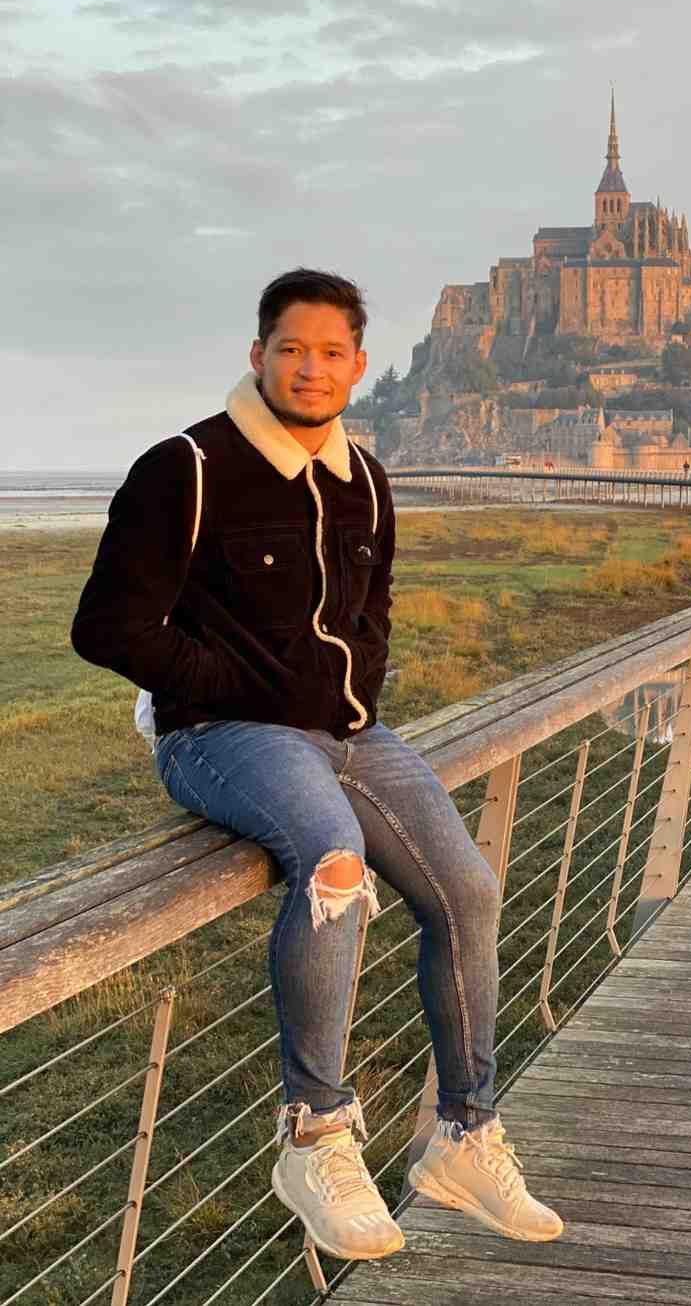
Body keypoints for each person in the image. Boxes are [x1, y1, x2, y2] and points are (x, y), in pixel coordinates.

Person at [70, 268, 563, 1262]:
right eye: (292, 348)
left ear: (359, 366)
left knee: (468, 888)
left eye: (331, 352)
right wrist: (230, 681)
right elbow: (107, 625)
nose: (310, 367)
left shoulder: (367, 479)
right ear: (257, 354)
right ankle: (314, 1134)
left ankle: (465, 1132)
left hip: (348, 734)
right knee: (334, 862)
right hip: (218, 736)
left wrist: (352, 690)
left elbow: (370, 610)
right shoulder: (186, 467)